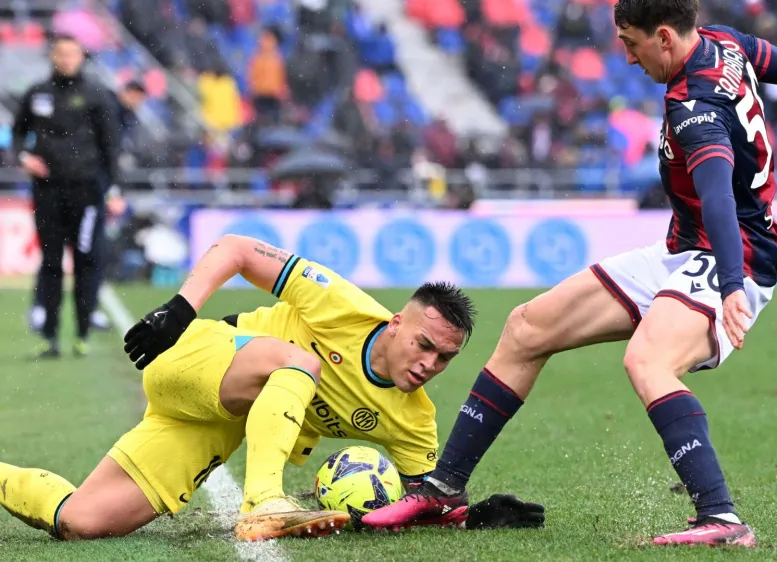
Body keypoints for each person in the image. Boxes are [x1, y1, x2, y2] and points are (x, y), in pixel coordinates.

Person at [362, 0, 777, 547]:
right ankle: (444, 490)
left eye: (631, 45)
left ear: (662, 36)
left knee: (648, 361)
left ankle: (721, 518)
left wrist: (731, 286)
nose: (628, 59)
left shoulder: (693, 108)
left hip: (734, 256)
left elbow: (719, 196)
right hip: (683, 249)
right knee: (527, 326)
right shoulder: (725, 42)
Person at [0, 234, 542, 542]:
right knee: (301, 362)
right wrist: (180, 309)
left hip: (217, 420)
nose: (429, 364)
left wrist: (470, 515)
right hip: (194, 356)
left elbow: (425, 500)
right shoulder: (343, 305)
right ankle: (263, 502)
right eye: (424, 344)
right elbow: (236, 249)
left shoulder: (414, 419)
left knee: (81, 521)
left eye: (445, 358)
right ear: (398, 323)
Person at [12, 34, 119, 358]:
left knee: (86, 260)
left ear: (81, 57)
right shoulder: (38, 93)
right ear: (53, 56)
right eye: (61, 53)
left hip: (86, 192)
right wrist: (24, 157)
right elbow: (17, 133)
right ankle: (49, 336)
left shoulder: (97, 94)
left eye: (73, 53)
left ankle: (83, 332)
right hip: (47, 191)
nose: (67, 59)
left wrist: (113, 188)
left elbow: (111, 145)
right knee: (51, 261)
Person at [26, 80, 147, 337]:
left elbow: (110, 153)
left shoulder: (123, 116)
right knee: (59, 253)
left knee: (91, 254)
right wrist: (110, 187)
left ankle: (86, 308)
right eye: (134, 94)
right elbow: (103, 151)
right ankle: (44, 308)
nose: (136, 100)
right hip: (81, 187)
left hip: (93, 189)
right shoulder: (106, 108)